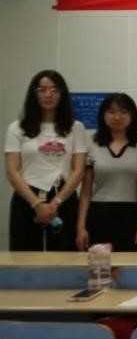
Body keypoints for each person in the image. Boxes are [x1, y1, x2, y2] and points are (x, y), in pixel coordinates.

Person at [5, 70, 87, 251]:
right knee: (24, 255)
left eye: (54, 90)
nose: (48, 94)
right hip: (27, 197)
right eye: (42, 90)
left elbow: (78, 170)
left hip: (62, 197)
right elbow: (12, 172)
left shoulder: (76, 128)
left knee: (64, 256)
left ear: (62, 94)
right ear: (33, 94)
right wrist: (36, 204)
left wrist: (56, 202)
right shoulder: (17, 128)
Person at [76, 93, 137, 252]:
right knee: (99, 265)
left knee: (130, 264)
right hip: (99, 214)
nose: (117, 117)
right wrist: (80, 227)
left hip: (131, 215)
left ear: (133, 116)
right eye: (112, 112)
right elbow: (85, 191)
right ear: (103, 115)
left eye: (123, 112)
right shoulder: (91, 146)